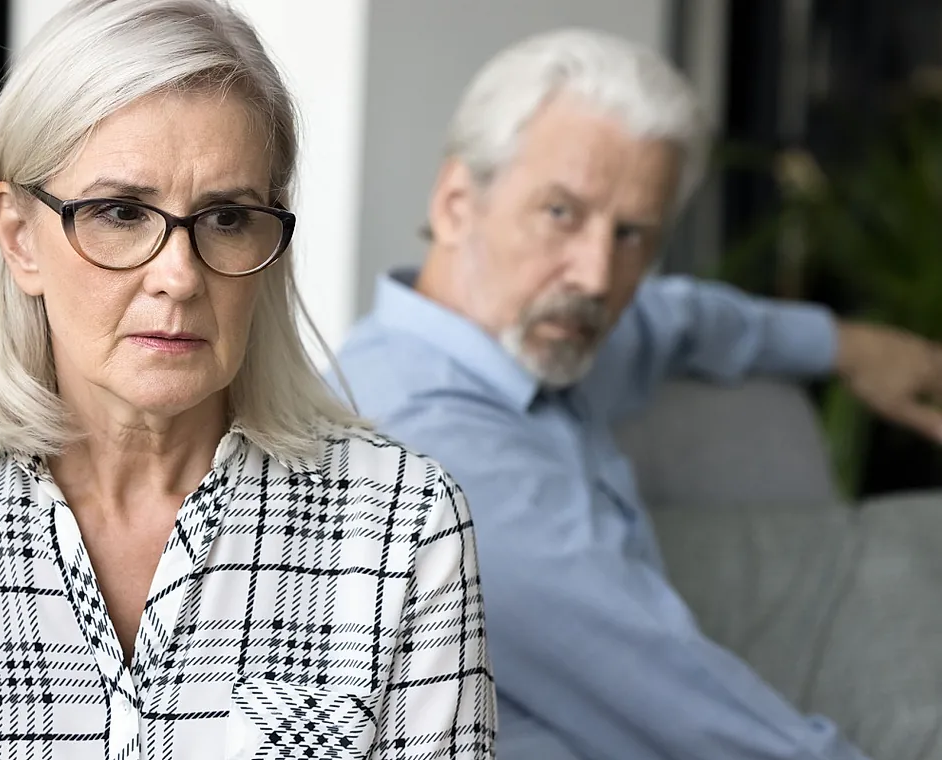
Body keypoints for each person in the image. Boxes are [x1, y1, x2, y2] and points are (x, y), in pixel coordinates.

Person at [0, 2, 497, 758]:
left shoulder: (402, 524)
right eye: (121, 211)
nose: (178, 275)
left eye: (228, 218)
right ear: (19, 237)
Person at [333, 27, 942, 760]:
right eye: (561, 213)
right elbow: (688, 714)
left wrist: (849, 346)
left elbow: (678, 318)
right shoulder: (435, 456)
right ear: (458, 203)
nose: (595, 274)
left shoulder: (529, 333)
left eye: (632, 235)